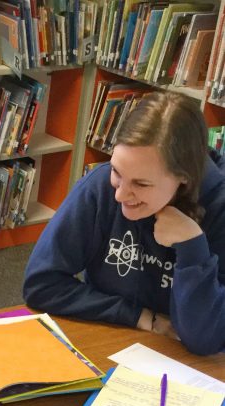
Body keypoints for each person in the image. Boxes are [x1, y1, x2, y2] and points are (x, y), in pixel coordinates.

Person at [23, 91, 225, 356]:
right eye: (117, 171)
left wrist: (192, 247)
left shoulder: (219, 207)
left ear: (183, 178)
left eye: (141, 183)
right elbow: (40, 284)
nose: (119, 195)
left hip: (188, 365)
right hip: (113, 339)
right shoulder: (100, 187)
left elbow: (205, 339)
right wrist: (140, 316)